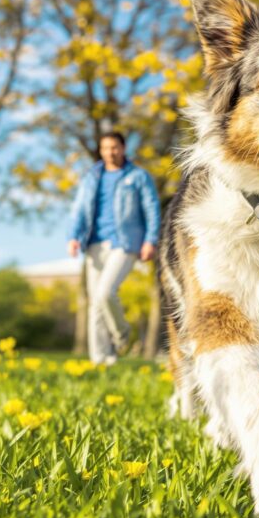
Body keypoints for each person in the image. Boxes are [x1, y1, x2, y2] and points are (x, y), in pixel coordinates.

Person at [67, 131, 161, 365]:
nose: (110, 152)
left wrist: (150, 240)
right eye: (106, 148)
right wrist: (73, 236)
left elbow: (152, 209)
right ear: (100, 150)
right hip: (94, 243)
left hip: (125, 242)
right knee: (96, 303)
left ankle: (121, 334)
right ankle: (101, 359)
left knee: (105, 293)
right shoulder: (92, 176)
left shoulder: (138, 176)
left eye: (115, 147)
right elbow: (78, 208)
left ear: (123, 148)